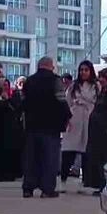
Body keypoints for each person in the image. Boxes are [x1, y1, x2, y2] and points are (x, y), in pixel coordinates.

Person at [22, 57, 72, 198]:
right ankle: (47, 189)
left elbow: (24, 102)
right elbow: (61, 100)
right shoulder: (56, 81)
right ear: (50, 66)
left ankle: (28, 188)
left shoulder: (29, 81)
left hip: (32, 126)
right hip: (51, 126)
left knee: (31, 158)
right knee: (50, 158)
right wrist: (67, 117)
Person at [60, 60, 98, 192]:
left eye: (86, 70)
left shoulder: (96, 86)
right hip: (74, 119)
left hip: (89, 119)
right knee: (68, 151)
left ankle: (84, 183)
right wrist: (67, 119)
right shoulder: (73, 86)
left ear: (90, 71)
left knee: (86, 152)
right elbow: (67, 102)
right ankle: (63, 181)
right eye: (81, 70)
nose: (83, 72)